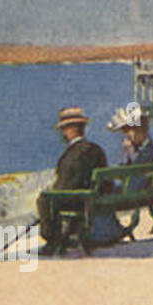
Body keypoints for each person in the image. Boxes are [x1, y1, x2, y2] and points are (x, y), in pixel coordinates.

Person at [37, 107, 108, 253]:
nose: (63, 133)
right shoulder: (96, 149)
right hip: (94, 198)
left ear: (70, 130)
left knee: (44, 199)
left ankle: (53, 241)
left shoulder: (73, 155)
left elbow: (67, 184)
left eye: (64, 129)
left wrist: (53, 192)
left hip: (79, 199)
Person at [87, 105, 153, 245]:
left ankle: (106, 232)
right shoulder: (144, 147)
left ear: (142, 131)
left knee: (101, 194)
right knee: (102, 191)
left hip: (134, 190)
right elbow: (129, 167)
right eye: (128, 132)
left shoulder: (147, 150)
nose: (129, 136)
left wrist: (129, 151)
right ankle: (107, 229)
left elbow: (136, 166)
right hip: (135, 186)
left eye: (132, 132)